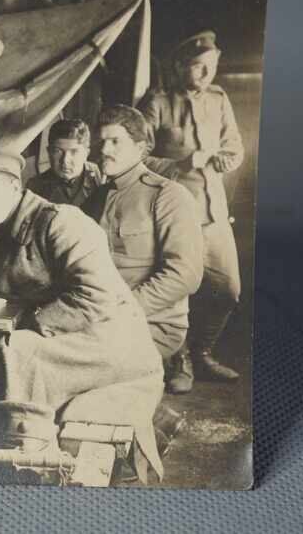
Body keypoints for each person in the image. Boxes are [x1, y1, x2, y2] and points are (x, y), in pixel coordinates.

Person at [0, 145, 165, 482]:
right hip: (68, 336)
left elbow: (94, 296)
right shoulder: (2, 232)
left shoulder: (60, 221)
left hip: (108, 341)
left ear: (14, 186)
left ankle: (21, 452)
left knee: (12, 352)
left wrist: (30, 323)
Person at [140, 30, 244, 389]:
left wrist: (219, 162)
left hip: (213, 211)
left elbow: (235, 150)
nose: (206, 75)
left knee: (227, 289)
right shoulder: (157, 102)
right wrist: (182, 163)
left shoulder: (218, 99)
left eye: (211, 67)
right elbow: (137, 158)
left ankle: (202, 353)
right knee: (177, 287)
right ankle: (179, 360)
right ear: (181, 66)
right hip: (173, 213)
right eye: (199, 67)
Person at [85, 106, 204, 394]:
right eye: (101, 142)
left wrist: (122, 310)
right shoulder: (96, 198)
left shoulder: (168, 196)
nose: (105, 149)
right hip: (100, 317)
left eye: (115, 141)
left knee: (65, 362)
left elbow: (185, 274)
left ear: (141, 148)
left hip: (152, 324)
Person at [26, 119, 103, 207]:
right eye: (58, 151)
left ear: (86, 153)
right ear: (49, 152)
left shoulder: (95, 173)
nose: (65, 160)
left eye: (74, 152)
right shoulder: (35, 186)